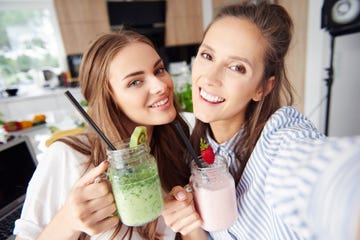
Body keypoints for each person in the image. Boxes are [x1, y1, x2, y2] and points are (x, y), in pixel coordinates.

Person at [161, 1, 359, 239]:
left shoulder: (279, 142)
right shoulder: (196, 145)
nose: (210, 78)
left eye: (236, 67)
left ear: (263, 87)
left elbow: (331, 180)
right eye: (207, 55)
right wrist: (190, 224)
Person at [13, 29, 194, 240]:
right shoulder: (69, 156)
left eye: (159, 70)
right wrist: (67, 220)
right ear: (108, 99)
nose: (160, 85)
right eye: (135, 82)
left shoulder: (178, 145)